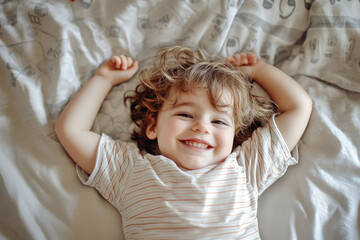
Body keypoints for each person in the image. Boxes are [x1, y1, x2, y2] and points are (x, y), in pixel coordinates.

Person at [55, 46, 312, 239]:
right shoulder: (130, 170)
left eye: (219, 122)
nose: (201, 127)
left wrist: (259, 70)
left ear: (235, 135)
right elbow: (71, 130)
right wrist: (104, 80)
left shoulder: (245, 168)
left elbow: (298, 107)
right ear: (154, 126)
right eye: (186, 115)